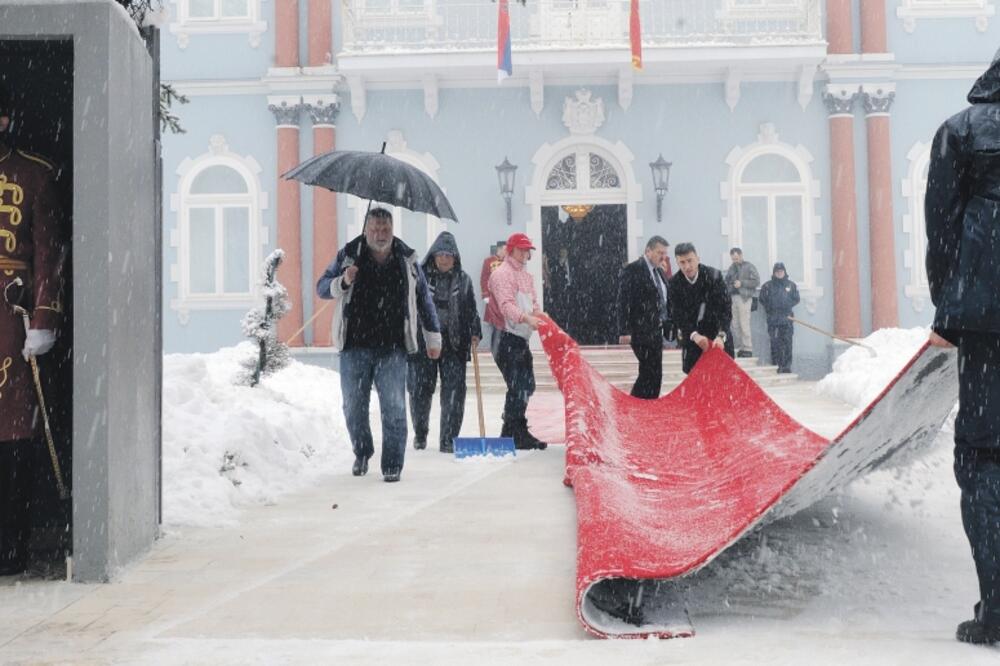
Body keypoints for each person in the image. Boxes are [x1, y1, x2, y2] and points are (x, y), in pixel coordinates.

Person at [924, 50, 1000, 646]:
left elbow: (943, 230)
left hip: (986, 325)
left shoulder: (961, 132)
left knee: (982, 460)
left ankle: (997, 608)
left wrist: (947, 310)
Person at [316, 207, 441, 483]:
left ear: (392, 229)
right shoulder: (350, 254)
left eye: (385, 229)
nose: (379, 234)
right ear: (365, 229)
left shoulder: (406, 259)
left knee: (394, 406)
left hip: (392, 346)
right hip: (354, 345)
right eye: (374, 229)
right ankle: (362, 451)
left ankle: (392, 463)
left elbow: (423, 299)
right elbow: (322, 287)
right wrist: (344, 280)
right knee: (353, 406)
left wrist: (433, 336)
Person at [0, 84, 67, 576]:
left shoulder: (34, 175)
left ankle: (10, 546)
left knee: (13, 435)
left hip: (10, 318)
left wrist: (43, 318)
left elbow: (47, 252)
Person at [407, 232, 481, 454]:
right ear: (433, 255)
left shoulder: (464, 280)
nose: (444, 259)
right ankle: (420, 433)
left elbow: (471, 309)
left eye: (448, 255)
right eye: (440, 254)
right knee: (420, 390)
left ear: (455, 257)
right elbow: (409, 306)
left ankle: (449, 439)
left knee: (454, 392)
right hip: (424, 342)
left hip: (453, 342)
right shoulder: (419, 278)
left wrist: (475, 331)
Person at [485, 232, 548, 450]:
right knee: (518, 384)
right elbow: (506, 305)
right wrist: (526, 318)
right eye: (521, 249)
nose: (525, 254)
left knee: (526, 384)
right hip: (504, 336)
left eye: (527, 250)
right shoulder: (502, 274)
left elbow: (532, 303)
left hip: (520, 337)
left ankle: (513, 430)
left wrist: (540, 315)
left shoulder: (526, 276)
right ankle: (514, 432)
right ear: (511, 250)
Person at [667, 243, 733, 375]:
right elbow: (677, 315)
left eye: (690, 260)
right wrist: (694, 335)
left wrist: (721, 335)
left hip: (717, 336)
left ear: (698, 258)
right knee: (695, 382)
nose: (687, 266)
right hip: (692, 339)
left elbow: (725, 309)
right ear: (677, 263)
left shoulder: (714, 276)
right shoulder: (674, 284)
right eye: (682, 262)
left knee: (723, 380)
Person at [617, 236, 670, 399]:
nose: (663, 257)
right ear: (648, 251)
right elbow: (623, 300)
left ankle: (649, 405)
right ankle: (636, 405)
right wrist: (624, 330)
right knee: (648, 371)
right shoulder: (633, 269)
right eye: (660, 252)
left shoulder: (659, 272)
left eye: (665, 253)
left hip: (656, 330)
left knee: (656, 373)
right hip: (640, 329)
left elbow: (664, 299)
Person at [758, 262, 799, 374]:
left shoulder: (791, 285)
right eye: (777, 271)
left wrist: (786, 305)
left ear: (784, 272)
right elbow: (762, 299)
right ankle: (776, 365)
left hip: (787, 319)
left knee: (787, 343)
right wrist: (770, 307)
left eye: (781, 271)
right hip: (773, 319)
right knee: (775, 343)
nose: (779, 273)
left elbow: (796, 299)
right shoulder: (767, 286)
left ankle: (786, 366)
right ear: (774, 273)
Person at [724, 247, 760, 358]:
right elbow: (727, 282)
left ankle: (748, 349)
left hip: (744, 298)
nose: (735, 260)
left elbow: (756, 281)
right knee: (735, 325)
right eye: (733, 258)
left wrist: (742, 283)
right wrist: (730, 287)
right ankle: (740, 348)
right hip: (733, 298)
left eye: (736, 258)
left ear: (741, 255)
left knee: (744, 324)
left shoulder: (749, 266)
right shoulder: (731, 268)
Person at [479, 240, 506, 352]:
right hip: (492, 298)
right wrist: (485, 294)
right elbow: (484, 278)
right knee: (491, 325)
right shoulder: (488, 261)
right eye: (505, 249)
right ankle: (490, 349)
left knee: (505, 326)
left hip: (505, 299)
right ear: (499, 249)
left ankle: (503, 350)